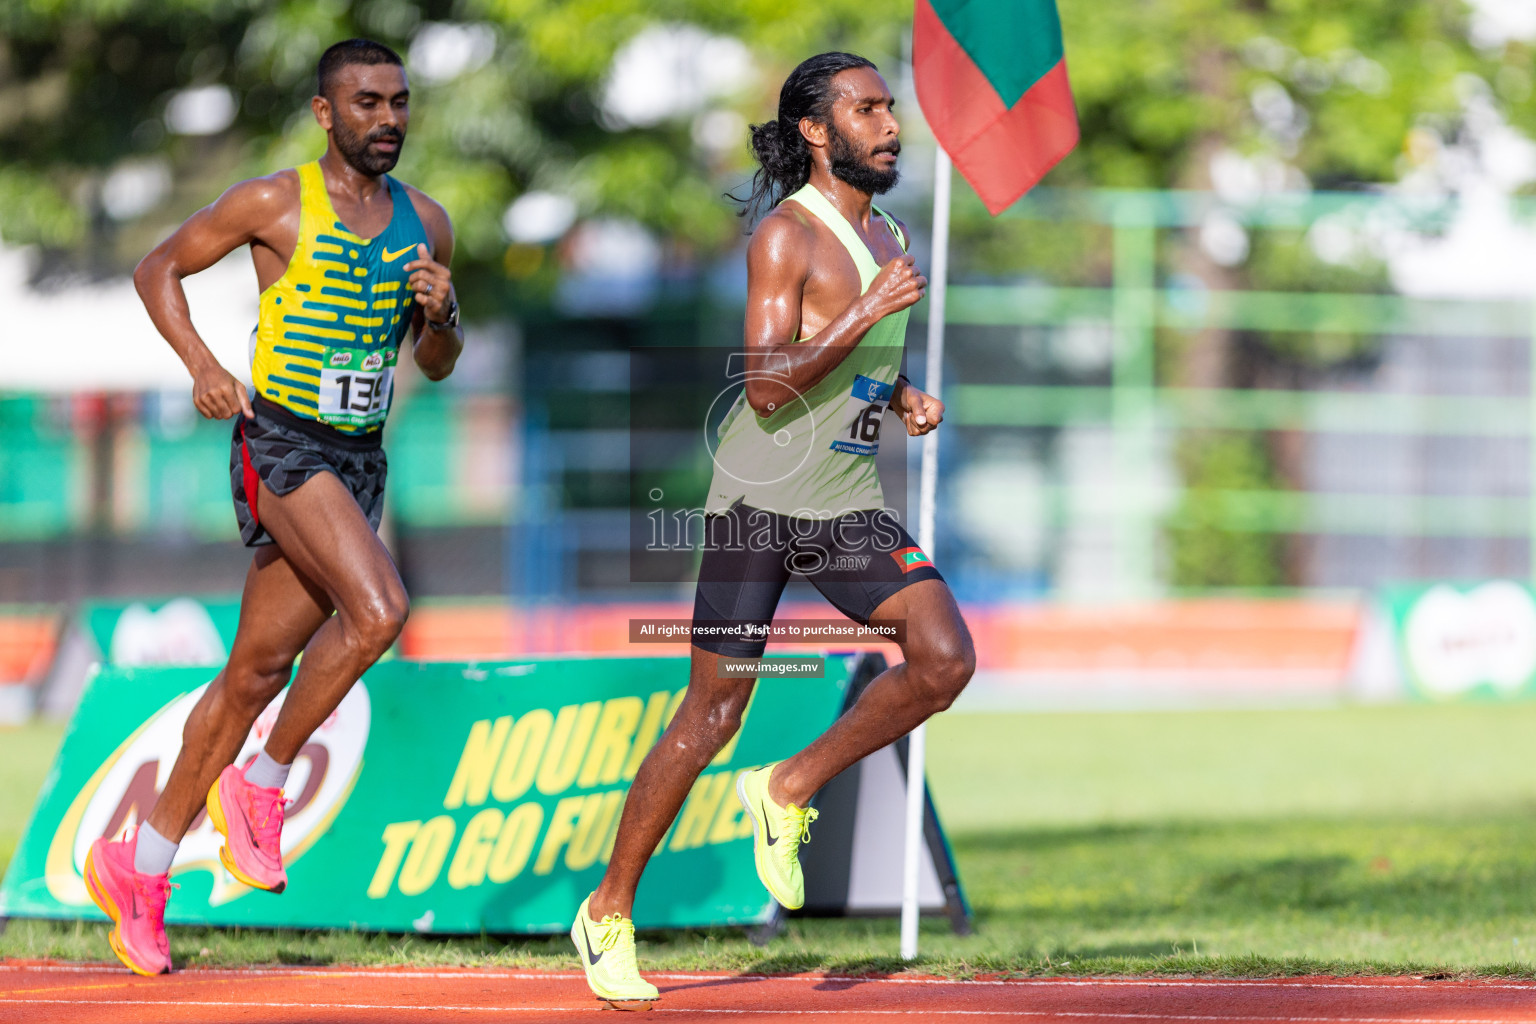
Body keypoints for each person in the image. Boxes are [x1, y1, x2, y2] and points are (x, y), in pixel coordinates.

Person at [570, 51, 974, 1006]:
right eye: (866, 110)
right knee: (713, 711)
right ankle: (608, 913)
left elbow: (846, 365)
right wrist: (870, 310)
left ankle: (787, 787)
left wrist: (904, 391)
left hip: (845, 503)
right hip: (760, 501)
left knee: (944, 658)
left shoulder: (892, 231)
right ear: (814, 131)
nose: (890, 125)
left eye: (890, 108)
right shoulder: (787, 238)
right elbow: (760, 379)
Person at [82, 38, 464, 976]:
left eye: (400, 102)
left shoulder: (429, 223)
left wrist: (446, 314)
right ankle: (262, 779)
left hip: (360, 457)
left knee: (253, 674)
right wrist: (206, 369)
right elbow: (156, 270)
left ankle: (143, 862)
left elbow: (439, 364)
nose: (389, 119)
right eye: (367, 102)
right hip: (283, 442)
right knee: (381, 612)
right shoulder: (274, 201)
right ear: (326, 114)